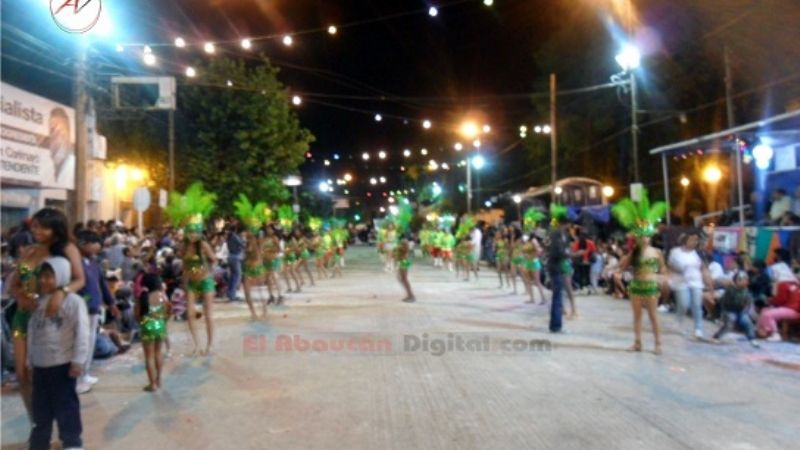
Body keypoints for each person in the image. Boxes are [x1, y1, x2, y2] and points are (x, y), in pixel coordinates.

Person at [7, 208, 86, 423]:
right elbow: (13, 284)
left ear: (55, 228)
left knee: (52, 377)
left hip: (52, 319)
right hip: (23, 317)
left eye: (43, 227)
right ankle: (38, 426)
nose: (37, 231)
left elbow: (80, 280)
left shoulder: (67, 248)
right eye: (34, 226)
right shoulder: (29, 251)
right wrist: (19, 295)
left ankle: (59, 428)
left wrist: (61, 292)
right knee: (23, 375)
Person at [27, 257, 89, 450]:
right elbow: (32, 332)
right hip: (41, 367)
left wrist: (78, 361)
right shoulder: (40, 303)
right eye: (42, 277)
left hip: (62, 365)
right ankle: (39, 443)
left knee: (66, 408)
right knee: (41, 410)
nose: (44, 281)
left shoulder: (74, 302)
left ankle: (72, 442)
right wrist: (31, 362)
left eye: (49, 276)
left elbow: (82, 332)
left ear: (61, 276)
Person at [612, 190, 667, 354]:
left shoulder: (656, 252)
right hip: (636, 286)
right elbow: (621, 267)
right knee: (637, 316)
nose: (644, 238)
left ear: (649, 236)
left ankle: (658, 344)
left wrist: (662, 279)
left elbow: (663, 268)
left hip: (650, 286)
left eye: (647, 236)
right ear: (637, 237)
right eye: (641, 236)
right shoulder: (633, 253)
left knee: (653, 316)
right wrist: (619, 270)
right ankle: (637, 343)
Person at [165, 183, 217, 356]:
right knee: (190, 315)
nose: (192, 234)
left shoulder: (203, 245)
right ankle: (196, 345)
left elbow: (214, 260)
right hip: (191, 284)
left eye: (195, 231)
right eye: (190, 231)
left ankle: (210, 345)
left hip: (206, 281)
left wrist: (204, 269)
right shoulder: (183, 247)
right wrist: (186, 279)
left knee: (208, 315)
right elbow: (185, 265)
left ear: (199, 231)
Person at [75, 230, 121, 394]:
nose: (96, 251)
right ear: (84, 244)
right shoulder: (76, 262)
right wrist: (85, 300)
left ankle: (85, 373)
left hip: (94, 308)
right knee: (80, 344)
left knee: (89, 343)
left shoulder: (93, 262)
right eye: (94, 247)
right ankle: (77, 378)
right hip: (82, 308)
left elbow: (102, 284)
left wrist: (111, 303)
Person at [234, 195, 269, 319]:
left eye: (250, 229)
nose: (248, 231)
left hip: (258, 267)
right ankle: (253, 313)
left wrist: (254, 240)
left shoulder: (259, 239)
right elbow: (246, 252)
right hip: (248, 269)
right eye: (248, 229)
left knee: (260, 292)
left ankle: (264, 311)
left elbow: (259, 251)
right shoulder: (245, 240)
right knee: (247, 293)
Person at [135, 274, 170, 391]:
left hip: (147, 325)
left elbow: (137, 314)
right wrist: (163, 320)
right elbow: (169, 310)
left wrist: (142, 322)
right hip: (160, 324)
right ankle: (159, 380)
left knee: (149, 356)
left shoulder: (143, 297)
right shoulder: (162, 296)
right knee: (158, 353)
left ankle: (152, 384)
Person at [668, 231, 706, 339]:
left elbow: (703, 267)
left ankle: (698, 328)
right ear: (685, 240)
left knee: (697, 305)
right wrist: (677, 270)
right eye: (692, 240)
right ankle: (679, 321)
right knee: (684, 304)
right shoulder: (675, 252)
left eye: (696, 240)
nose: (694, 242)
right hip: (681, 282)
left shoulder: (698, 253)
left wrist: (707, 280)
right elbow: (670, 265)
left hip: (696, 281)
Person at [712, 271, 759, 347]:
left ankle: (752, 338)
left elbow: (749, 301)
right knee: (730, 322)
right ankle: (717, 336)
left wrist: (746, 309)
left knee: (747, 322)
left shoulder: (746, 291)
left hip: (740, 311)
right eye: (742, 280)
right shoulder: (730, 290)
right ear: (736, 281)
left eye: (745, 280)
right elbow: (723, 302)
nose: (744, 282)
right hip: (729, 310)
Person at [546, 204, 570, 333]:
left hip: (557, 267)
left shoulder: (557, 233)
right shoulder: (557, 234)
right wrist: (568, 254)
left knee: (558, 296)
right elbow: (558, 251)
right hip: (556, 267)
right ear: (564, 223)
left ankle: (556, 324)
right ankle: (556, 325)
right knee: (557, 297)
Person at [226, 223, 245, 302]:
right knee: (237, 276)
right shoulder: (235, 236)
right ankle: (232, 295)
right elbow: (242, 244)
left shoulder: (229, 237)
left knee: (232, 276)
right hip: (236, 257)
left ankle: (230, 294)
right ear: (236, 229)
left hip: (230, 256)